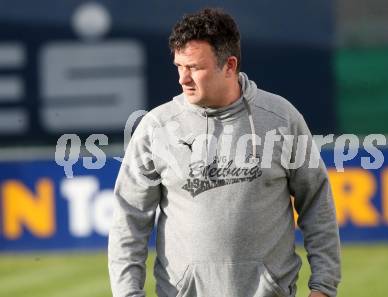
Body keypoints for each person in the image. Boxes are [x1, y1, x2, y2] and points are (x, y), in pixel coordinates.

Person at [109, 8, 341, 297]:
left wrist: (323, 286)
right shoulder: (156, 127)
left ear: (229, 65)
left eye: (194, 67)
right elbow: (128, 218)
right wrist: (127, 293)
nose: (183, 78)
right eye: (179, 66)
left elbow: (317, 202)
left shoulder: (282, 118)